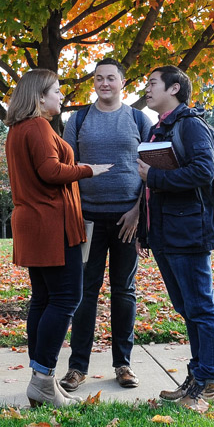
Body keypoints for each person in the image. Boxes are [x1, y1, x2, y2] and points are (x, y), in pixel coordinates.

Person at [5, 69, 112, 408]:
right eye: (56, 90)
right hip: (50, 224)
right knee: (66, 298)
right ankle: (42, 378)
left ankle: (43, 380)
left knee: (43, 299)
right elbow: (51, 172)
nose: (61, 96)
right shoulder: (37, 127)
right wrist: (88, 169)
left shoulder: (18, 129)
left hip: (34, 224)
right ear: (39, 96)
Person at [136, 66, 214, 409]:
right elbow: (149, 187)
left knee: (202, 308)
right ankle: (197, 376)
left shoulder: (190, 124)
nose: (146, 88)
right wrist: (146, 232)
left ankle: (208, 384)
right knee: (188, 308)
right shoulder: (161, 128)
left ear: (174, 88)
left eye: (152, 83)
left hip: (189, 231)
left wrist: (154, 175)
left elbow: (205, 170)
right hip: (165, 233)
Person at [60, 58, 149, 392]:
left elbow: (149, 174)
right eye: (99, 78)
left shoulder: (140, 119)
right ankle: (77, 367)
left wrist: (137, 213)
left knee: (124, 292)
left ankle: (123, 364)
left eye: (111, 78)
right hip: (88, 220)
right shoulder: (78, 119)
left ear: (123, 83)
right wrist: (75, 214)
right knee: (85, 292)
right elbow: (66, 169)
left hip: (127, 219)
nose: (104, 83)